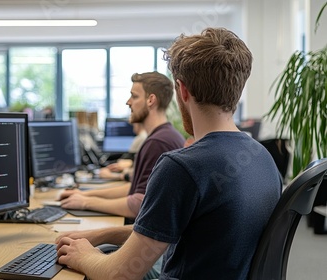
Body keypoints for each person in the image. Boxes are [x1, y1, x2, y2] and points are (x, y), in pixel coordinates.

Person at [56, 27, 283, 280]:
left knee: (74, 268)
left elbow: (118, 275)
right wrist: (102, 234)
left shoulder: (182, 167)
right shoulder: (263, 157)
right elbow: (165, 233)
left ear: (182, 90)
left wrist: (83, 255)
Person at [59, 71, 185, 220]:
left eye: (134, 96)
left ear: (151, 100)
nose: (128, 102)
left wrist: (86, 202)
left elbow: (138, 205)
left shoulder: (158, 143)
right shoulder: (164, 136)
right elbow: (133, 190)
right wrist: (84, 194)